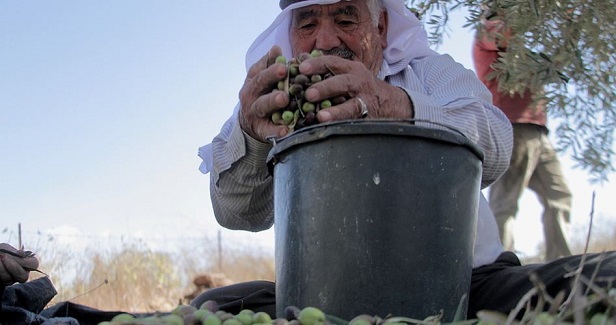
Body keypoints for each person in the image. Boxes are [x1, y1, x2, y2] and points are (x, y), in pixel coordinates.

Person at [197, 0, 616, 320]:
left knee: (603, 280)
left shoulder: (430, 74)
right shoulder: (275, 96)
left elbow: (496, 142)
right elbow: (235, 213)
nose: (324, 41)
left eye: (345, 19)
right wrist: (252, 138)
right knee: (214, 306)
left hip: (469, 284)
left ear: (379, 26)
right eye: (308, 24)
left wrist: (392, 104)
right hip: (319, 297)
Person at [472, 9, 573, 261]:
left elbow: (554, 67)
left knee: (559, 197)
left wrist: (568, 26)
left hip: (538, 133)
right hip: (515, 130)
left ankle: (562, 265)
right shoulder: (488, 31)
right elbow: (502, 33)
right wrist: (534, 12)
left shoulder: (522, 52)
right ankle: (498, 271)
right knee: (505, 204)